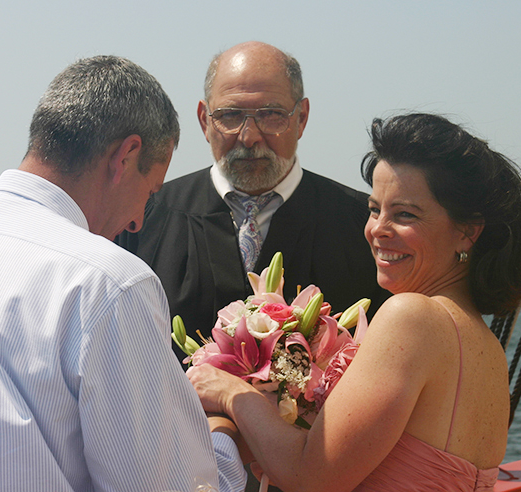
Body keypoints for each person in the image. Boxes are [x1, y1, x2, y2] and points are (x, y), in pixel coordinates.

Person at [0, 55, 246, 492]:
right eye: (149, 194)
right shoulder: (108, 281)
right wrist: (225, 431)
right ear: (126, 156)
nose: (137, 222)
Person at [188, 113, 521, 491]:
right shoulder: (487, 347)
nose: (377, 229)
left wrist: (233, 393)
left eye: (405, 214)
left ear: (466, 232)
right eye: (375, 209)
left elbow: (310, 475)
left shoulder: (412, 316)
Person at [115, 41, 390, 360]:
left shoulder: (364, 226)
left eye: (271, 115)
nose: (249, 137)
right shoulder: (142, 218)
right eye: (229, 116)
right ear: (204, 120)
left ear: (301, 118)